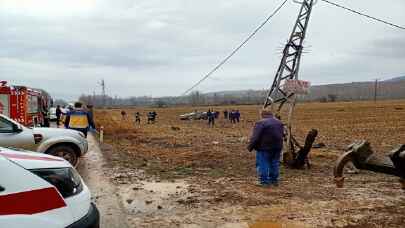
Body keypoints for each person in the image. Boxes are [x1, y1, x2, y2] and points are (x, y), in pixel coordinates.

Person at [247, 108, 284, 187]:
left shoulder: (261, 123)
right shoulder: (279, 122)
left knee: (263, 164)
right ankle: (274, 181)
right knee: (274, 163)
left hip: (264, 147)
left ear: (262, 114)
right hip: (278, 147)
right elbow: (282, 134)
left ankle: (264, 182)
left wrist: (250, 147)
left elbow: (255, 137)